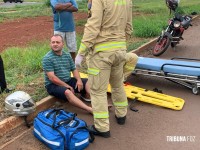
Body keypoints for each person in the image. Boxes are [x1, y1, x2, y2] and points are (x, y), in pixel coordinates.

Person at [75, 0, 133, 138]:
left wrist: (81, 53)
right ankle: (121, 115)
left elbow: (93, 27)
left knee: (97, 91)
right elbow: (129, 27)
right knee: (118, 85)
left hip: (102, 53)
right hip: (120, 50)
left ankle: (102, 127)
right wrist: (120, 45)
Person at [42, 34, 92, 114]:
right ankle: (89, 109)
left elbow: (74, 69)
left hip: (67, 80)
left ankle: (95, 101)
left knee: (87, 82)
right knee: (67, 92)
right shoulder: (47, 58)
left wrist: (79, 80)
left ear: (62, 44)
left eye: (57, 42)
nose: (55, 44)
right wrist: (67, 86)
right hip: (53, 85)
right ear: (50, 44)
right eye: (53, 42)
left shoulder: (67, 55)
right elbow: (52, 78)